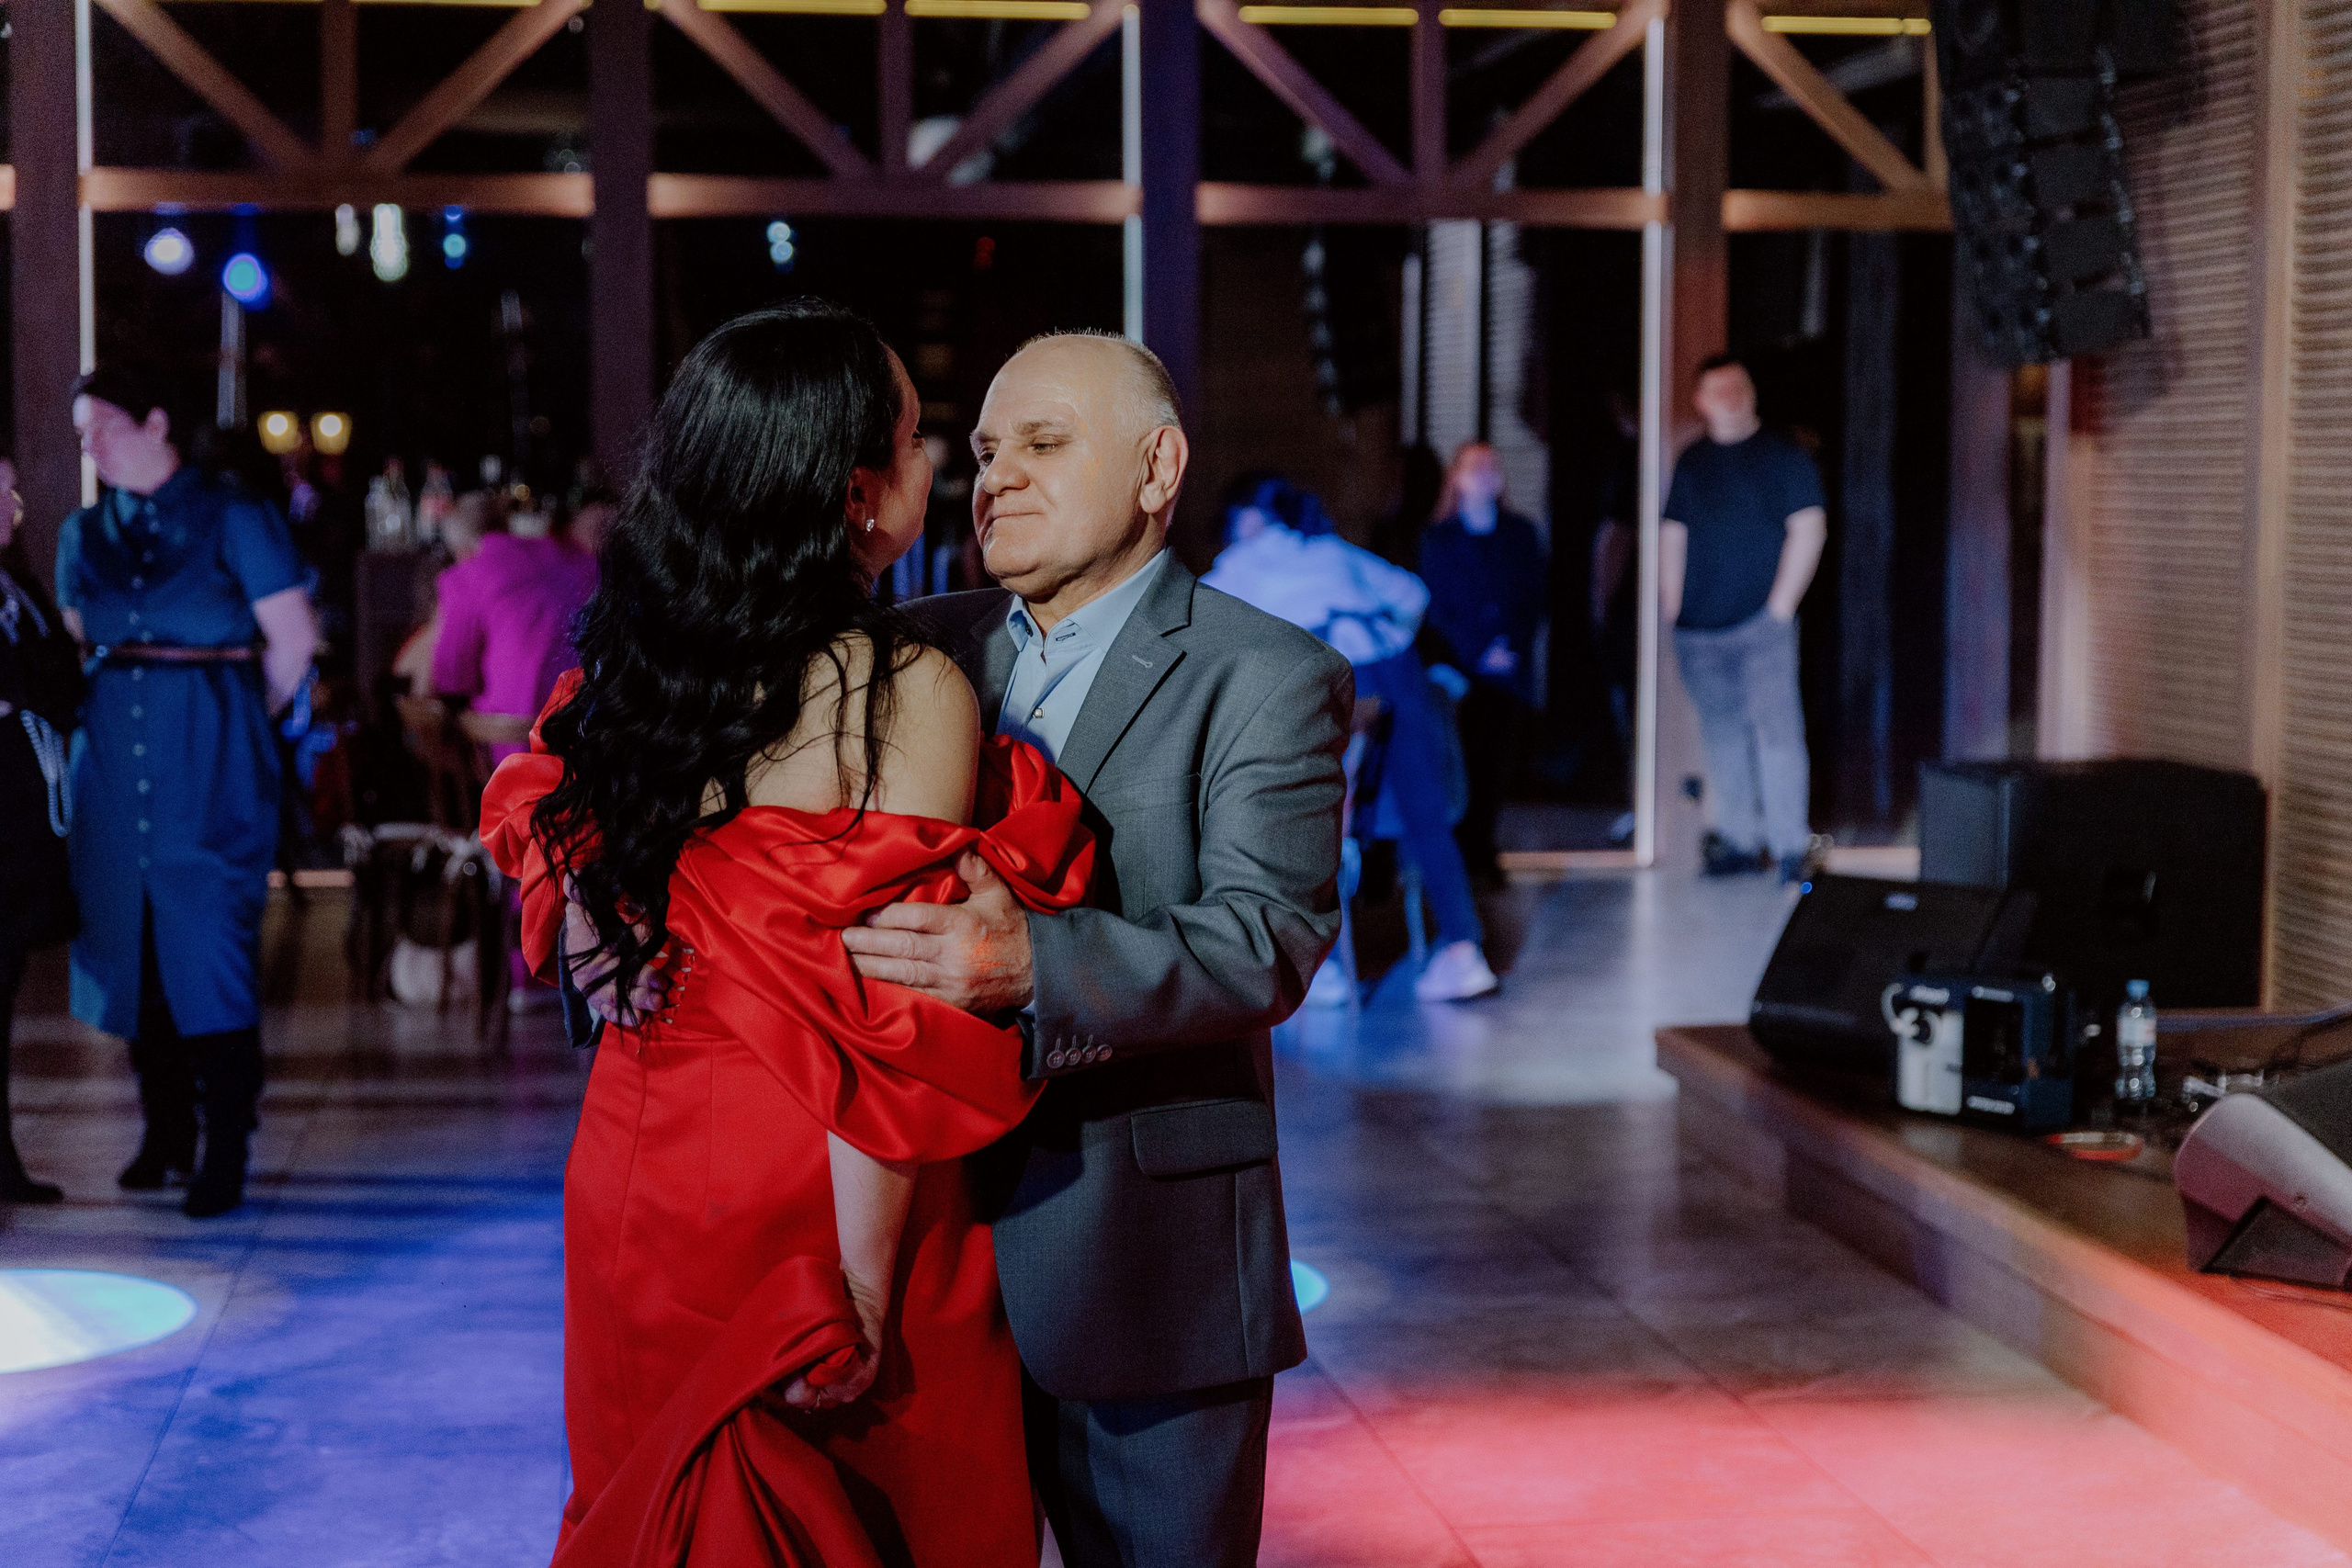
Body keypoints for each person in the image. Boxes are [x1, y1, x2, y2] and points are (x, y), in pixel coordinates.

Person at [481, 302, 1097, 1564]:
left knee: (653, 1498)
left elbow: (542, 811)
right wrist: (863, 1285)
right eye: (923, 438)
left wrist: (593, 911)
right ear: (859, 492)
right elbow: (884, 1013)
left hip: (640, 1159)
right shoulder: (903, 687)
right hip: (817, 1175)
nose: (946, 468)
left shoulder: (629, 664)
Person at [835, 332, 1351, 1567]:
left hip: (1147, 1265)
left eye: (1046, 444)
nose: (997, 477)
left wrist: (1036, 968)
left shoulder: (1265, 673)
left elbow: (1266, 938)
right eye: (986, 451)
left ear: (1158, 465)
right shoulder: (917, 649)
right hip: (929, 1262)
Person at [56, 367, 318, 1219]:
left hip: (206, 761)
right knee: (132, 949)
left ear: (157, 420)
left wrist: (231, 719)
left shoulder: (234, 514)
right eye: (82, 432)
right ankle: (162, 1129)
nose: (92, 445)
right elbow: (73, 650)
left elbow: (291, 643)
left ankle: (225, 1143)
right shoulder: (81, 533)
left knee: (209, 947)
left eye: (105, 425)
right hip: (112, 769)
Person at [1204, 475, 1498, 1004]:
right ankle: (1463, 950)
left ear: (1248, 518)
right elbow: (1413, 593)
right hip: (1395, 670)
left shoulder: (1238, 566)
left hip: (1326, 679)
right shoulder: (1332, 550)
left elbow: (1194, 627)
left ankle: (1323, 968)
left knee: (1307, 819)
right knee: (1425, 816)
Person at [1662, 353, 1829, 883]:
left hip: (1761, 627)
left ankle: (1787, 846)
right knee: (1722, 734)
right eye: (1718, 391)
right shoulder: (1693, 462)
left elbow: (1810, 528)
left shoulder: (1785, 458)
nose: (1730, 398)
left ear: (1752, 392)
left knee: (1777, 734)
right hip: (1698, 630)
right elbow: (1673, 535)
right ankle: (1737, 839)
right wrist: (1672, 607)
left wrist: (1779, 610)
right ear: (1701, 402)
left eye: (1738, 388)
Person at [0, 456, 84, 1204]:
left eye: (8, 487)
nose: (8, 502)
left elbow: (57, 681)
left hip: (19, 826)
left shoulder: (14, 589)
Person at [1419, 441, 1545, 886]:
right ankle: (1462, 853)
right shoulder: (1438, 539)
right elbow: (1436, 609)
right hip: (1459, 673)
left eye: (1492, 466)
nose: (1485, 474)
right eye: (1474, 467)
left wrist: (1508, 648)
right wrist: (1476, 652)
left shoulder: (1521, 534)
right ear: (1456, 477)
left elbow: (1533, 599)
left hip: (1508, 671)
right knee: (1462, 762)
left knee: (1497, 763)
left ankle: (1483, 849)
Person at [430, 488, 597, 767]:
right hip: (587, 739)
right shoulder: (562, 555)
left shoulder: (467, 573)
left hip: (514, 752)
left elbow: (452, 677)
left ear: (462, 549)